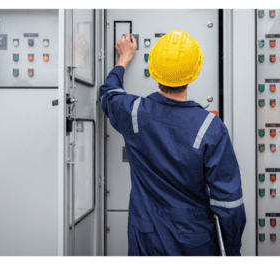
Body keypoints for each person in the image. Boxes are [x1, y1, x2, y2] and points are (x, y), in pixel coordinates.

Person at [99, 30, 245, 256]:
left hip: (146, 240)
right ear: (194, 73)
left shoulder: (134, 113)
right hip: (195, 242)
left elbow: (108, 94)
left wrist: (124, 58)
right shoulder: (211, 128)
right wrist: (232, 251)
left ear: (155, 73)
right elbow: (229, 205)